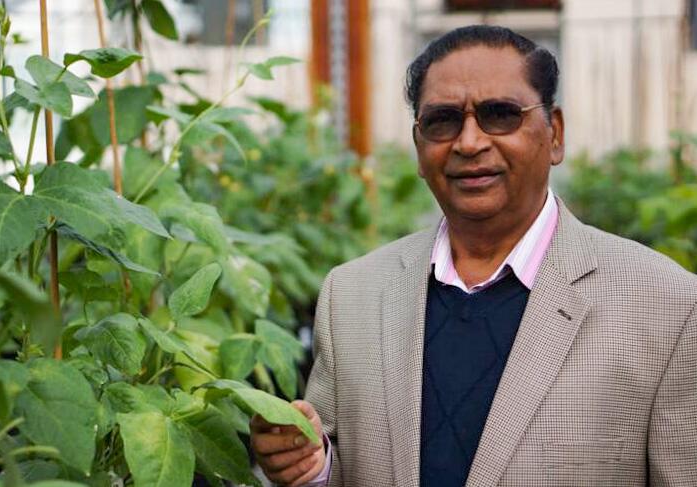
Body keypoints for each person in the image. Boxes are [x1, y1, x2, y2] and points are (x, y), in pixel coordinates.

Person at [249, 25, 697, 487]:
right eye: (442, 120)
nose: (469, 142)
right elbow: (341, 465)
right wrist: (311, 468)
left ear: (555, 134)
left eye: (499, 114)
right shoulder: (353, 295)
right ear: (420, 150)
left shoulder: (666, 305)